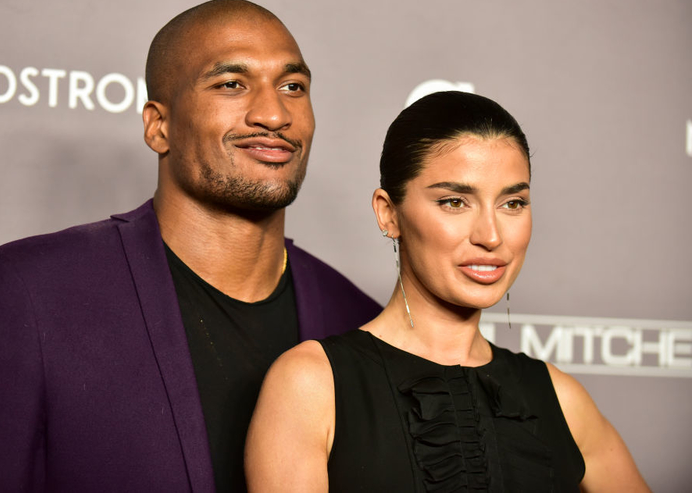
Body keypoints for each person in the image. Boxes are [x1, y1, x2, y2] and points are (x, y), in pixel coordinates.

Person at [0, 0, 380, 492]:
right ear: (159, 126)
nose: (273, 113)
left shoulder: (359, 321)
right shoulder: (28, 291)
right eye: (231, 85)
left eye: (293, 86)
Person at [245, 91, 650, 492]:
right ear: (389, 213)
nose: (491, 237)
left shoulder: (559, 396)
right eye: (455, 202)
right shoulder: (311, 384)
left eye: (512, 203)